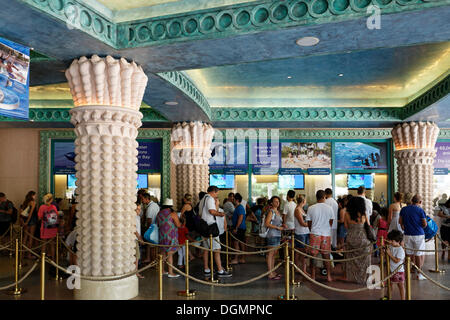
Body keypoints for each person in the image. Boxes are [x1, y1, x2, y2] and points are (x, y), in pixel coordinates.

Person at [199, 186, 231, 278]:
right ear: (214, 192)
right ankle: (220, 270)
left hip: (203, 226)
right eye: (217, 193)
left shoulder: (203, 199)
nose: (217, 195)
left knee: (206, 249)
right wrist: (221, 214)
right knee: (217, 249)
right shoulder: (209, 199)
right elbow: (212, 211)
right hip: (210, 227)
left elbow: (201, 213)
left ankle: (206, 268)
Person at [306, 190, 334, 282]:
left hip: (315, 234)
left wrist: (313, 230)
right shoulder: (329, 208)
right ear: (324, 197)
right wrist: (325, 228)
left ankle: (313, 276)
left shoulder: (311, 208)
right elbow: (331, 222)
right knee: (326, 256)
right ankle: (329, 276)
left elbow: (309, 223)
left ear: (316, 197)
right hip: (326, 234)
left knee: (313, 256)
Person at [343, 196, 371, 284]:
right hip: (363, 239)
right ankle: (364, 277)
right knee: (364, 259)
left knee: (351, 259)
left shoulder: (347, 214)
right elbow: (368, 225)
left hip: (351, 238)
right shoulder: (364, 214)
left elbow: (346, 226)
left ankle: (353, 277)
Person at [399, 194, 427, 280]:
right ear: (420, 202)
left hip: (407, 234)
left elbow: (400, 222)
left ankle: (408, 272)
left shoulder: (404, 209)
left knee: (408, 254)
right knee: (418, 254)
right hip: (418, 234)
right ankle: (419, 274)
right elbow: (425, 224)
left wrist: (404, 227)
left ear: (412, 201)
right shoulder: (420, 210)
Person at [156, 198, 181, 278]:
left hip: (162, 235)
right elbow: (178, 225)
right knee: (170, 254)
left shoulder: (159, 213)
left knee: (162, 254)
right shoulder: (172, 213)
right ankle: (170, 272)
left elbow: (158, 224)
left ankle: (162, 270)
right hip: (171, 236)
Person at [265, 196, 285, 280]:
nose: (277, 203)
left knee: (274, 255)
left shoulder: (278, 212)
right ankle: (270, 273)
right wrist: (277, 228)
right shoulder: (271, 211)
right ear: (272, 203)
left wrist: (282, 226)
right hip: (272, 234)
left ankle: (272, 271)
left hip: (277, 234)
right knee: (270, 254)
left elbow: (277, 223)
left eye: (278, 201)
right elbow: (267, 223)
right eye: (275, 201)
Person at [384, 230, 405, 300]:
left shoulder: (400, 250)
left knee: (400, 285)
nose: (390, 242)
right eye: (390, 240)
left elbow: (397, 260)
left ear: (398, 241)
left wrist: (389, 254)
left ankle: (403, 298)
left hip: (399, 271)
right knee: (389, 284)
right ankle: (388, 297)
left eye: (392, 241)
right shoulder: (391, 246)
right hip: (391, 269)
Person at [37, 193, 59, 259]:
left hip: (45, 228)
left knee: (44, 244)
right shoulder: (54, 207)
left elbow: (39, 218)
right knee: (52, 244)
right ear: (51, 200)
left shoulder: (42, 207)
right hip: (53, 227)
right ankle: (53, 258)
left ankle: (43, 258)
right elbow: (57, 216)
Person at [293, 195, 309, 275]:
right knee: (300, 252)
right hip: (300, 233)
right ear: (303, 201)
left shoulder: (301, 209)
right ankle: (299, 268)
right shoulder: (297, 210)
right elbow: (302, 223)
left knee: (302, 251)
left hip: (305, 232)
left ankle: (301, 268)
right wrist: (311, 225)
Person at [20, 191, 38, 259]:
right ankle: (29, 254)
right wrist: (27, 221)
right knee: (30, 238)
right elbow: (31, 213)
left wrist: (24, 222)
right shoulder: (33, 202)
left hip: (25, 221)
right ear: (32, 195)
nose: (35, 196)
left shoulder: (25, 202)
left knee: (25, 237)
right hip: (32, 221)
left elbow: (21, 212)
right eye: (34, 195)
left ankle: (22, 253)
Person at [142, 193, 160, 263]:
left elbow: (149, 220)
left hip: (151, 228)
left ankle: (153, 261)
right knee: (151, 245)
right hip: (156, 227)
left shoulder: (150, 207)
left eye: (143, 199)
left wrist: (147, 230)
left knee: (152, 246)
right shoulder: (156, 205)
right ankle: (149, 258)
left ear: (147, 199)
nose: (142, 201)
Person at [231, 193, 246, 265]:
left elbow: (240, 217)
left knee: (236, 243)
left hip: (239, 228)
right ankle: (241, 258)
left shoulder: (240, 207)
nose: (232, 200)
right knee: (240, 243)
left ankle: (236, 259)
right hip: (240, 227)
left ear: (236, 200)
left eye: (233, 199)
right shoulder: (238, 207)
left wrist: (236, 228)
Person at [134, 203, 144, 279]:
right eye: (138, 209)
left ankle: (135, 271)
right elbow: (134, 230)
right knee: (136, 256)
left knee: (137, 256)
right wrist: (140, 238)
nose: (139, 211)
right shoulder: (133, 217)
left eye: (140, 209)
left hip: (137, 239)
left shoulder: (138, 217)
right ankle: (135, 272)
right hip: (135, 239)